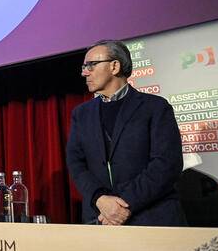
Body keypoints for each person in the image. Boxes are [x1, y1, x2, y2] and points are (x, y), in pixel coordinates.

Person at [66, 40, 186, 226]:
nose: (84, 72)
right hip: (100, 219)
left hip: (150, 219)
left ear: (114, 66)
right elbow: (76, 164)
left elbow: (166, 164)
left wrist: (122, 206)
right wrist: (100, 199)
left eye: (91, 65)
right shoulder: (81, 114)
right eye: (84, 67)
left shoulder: (155, 107)